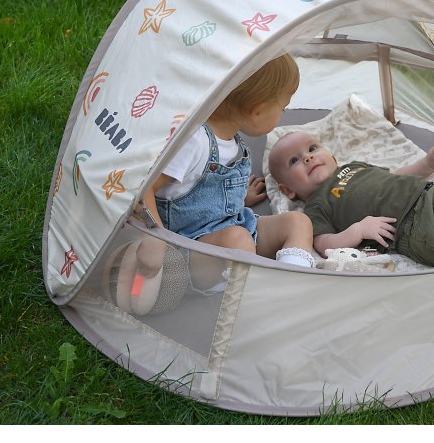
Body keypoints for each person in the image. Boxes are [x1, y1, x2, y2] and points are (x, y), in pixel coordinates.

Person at [134, 55, 316, 277]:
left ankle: (292, 280)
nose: (282, 114)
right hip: (190, 248)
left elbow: (202, 195)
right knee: (238, 240)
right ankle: (255, 292)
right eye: (283, 109)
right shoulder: (195, 141)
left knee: (298, 222)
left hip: (235, 227)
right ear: (257, 111)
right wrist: (154, 237)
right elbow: (143, 187)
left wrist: (237, 199)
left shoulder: (231, 139)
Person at [268, 131, 434, 268]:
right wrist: (359, 230)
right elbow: (324, 244)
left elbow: (397, 176)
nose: (308, 157)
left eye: (312, 148)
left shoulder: (353, 166)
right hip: (414, 223)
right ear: (288, 190)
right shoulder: (315, 206)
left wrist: (428, 163)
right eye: (294, 160)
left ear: (333, 157)